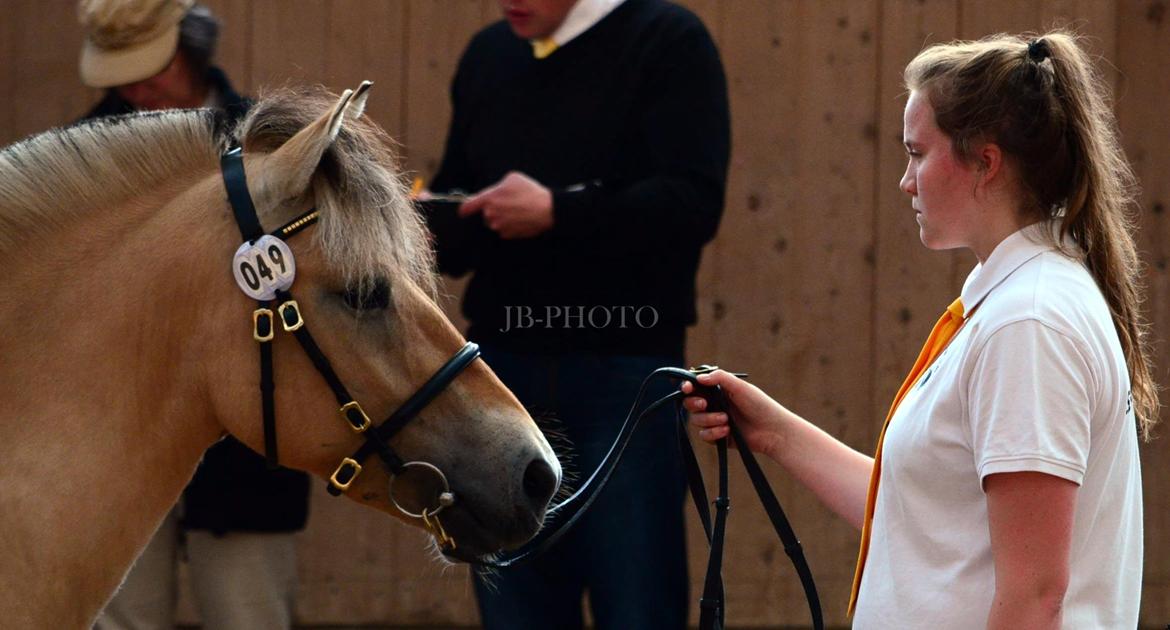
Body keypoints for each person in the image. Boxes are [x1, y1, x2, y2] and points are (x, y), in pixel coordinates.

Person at [683, 31, 1158, 629]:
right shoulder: (1014, 303)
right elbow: (925, 518)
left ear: (985, 161)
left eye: (916, 152)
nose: (906, 180)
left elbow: (1035, 596)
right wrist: (772, 431)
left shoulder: (1028, 323)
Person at [421, 0, 729, 627]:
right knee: (516, 602)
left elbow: (692, 203)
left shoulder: (669, 40)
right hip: (501, 374)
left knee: (637, 601)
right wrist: (429, 218)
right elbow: (456, 221)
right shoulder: (489, 54)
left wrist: (559, 212)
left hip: (626, 368)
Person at [77, 1, 309, 628]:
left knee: (249, 612)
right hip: (118, 442)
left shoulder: (267, 146)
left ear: (194, 47)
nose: (138, 89)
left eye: (154, 68)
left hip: (247, 441)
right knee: (119, 617)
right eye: (122, 74)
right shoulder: (80, 159)